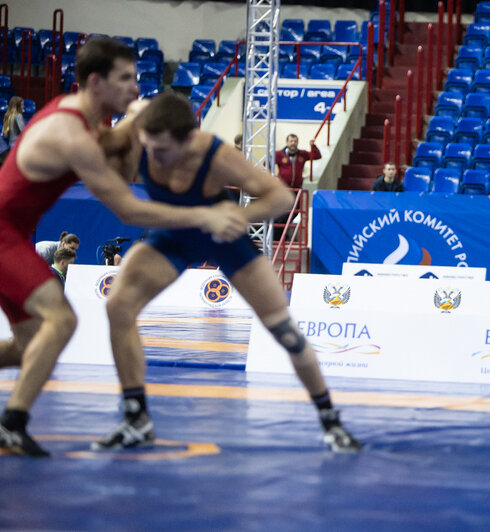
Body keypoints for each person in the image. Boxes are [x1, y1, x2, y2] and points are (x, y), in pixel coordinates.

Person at [0, 37, 247, 457]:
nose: (135, 87)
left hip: (13, 233)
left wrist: (134, 128)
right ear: (96, 82)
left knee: (28, 346)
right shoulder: (71, 134)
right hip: (4, 234)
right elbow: (129, 209)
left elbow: (125, 162)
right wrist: (203, 216)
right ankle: (12, 426)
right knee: (59, 322)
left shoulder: (83, 118)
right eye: (126, 79)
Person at [91, 93, 360, 453]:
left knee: (286, 332)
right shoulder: (140, 128)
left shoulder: (214, 154)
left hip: (224, 237)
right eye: (149, 148)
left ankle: (330, 420)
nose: (154, 157)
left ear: (188, 140)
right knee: (118, 307)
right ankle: (136, 417)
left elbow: (279, 198)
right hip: (173, 234)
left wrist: (238, 218)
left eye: (164, 150)